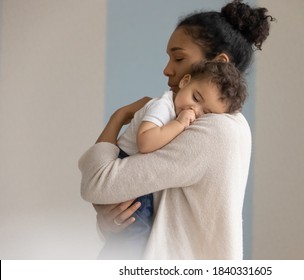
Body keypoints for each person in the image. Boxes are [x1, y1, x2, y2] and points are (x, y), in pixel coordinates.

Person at [80, 0, 274, 259]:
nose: (167, 69)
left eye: (179, 57)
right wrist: (111, 223)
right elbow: (155, 212)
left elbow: (98, 183)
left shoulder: (215, 131)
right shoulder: (205, 122)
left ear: (220, 62)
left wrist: (119, 117)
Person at [98, 60, 247, 259]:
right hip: (125, 161)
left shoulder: (219, 128)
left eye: (207, 113)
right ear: (185, 81)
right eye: (195, 98)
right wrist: (179, 123)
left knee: (133, 235)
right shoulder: (162, 105)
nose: (195, 110)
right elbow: (146, 142)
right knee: (134, 239)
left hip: (135, 174)